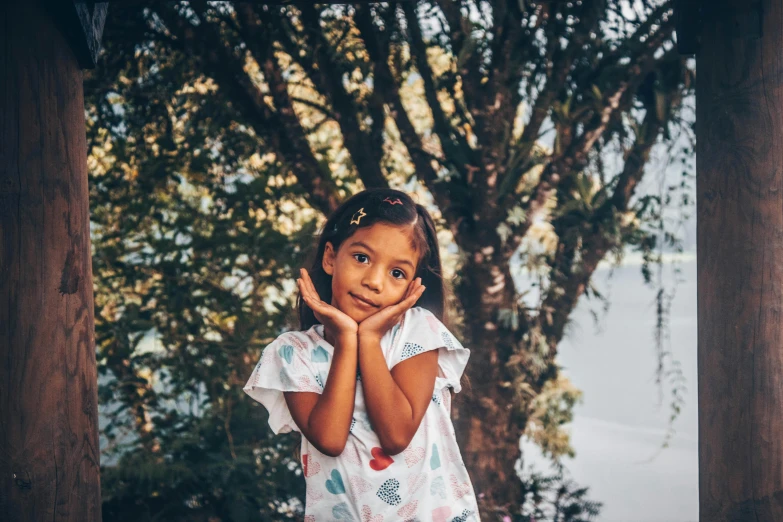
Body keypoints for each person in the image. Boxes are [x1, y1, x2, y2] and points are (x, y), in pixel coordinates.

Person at [244, 188, 479, 522]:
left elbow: (396, 435)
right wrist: (346, 341)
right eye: (362, 258)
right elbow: (330, 438)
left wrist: (368, 339)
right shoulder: (293, 353)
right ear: (330, 257)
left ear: (413, 286)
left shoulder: (417, 332)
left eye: (396, 273)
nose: (373, 281)